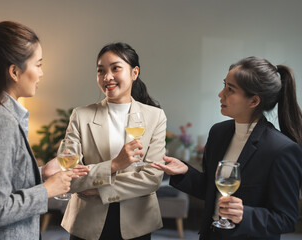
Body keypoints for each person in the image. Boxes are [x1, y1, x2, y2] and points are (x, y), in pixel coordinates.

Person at [0, 21, 88, 240]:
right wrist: (48, 190)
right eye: (38, 64)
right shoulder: (0, 121)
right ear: (14, 71)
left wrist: (40, 174)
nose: (41, 73)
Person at [152, 56, 302, 240]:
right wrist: (184, 172)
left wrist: (244, 214)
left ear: (253, 101)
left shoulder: (281, 149)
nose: (220, 94)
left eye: (230, 90)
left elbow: (286, 219)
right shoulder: (219, 132)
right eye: (225, 85)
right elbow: (211, 190)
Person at [61, 42, 166, 240]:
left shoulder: (155, 117)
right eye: (101, 71)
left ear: (134, 73)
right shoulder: (81, 115)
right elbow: (69, 176)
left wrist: (99, 189)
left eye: (115, 68)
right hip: (86, 222)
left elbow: (152, 178)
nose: (107, 77)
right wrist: (116, 164)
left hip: (137, 223)